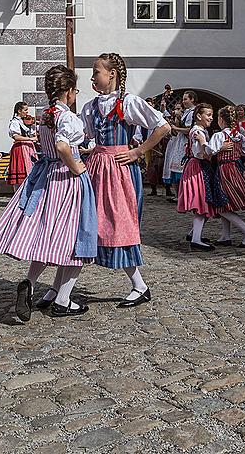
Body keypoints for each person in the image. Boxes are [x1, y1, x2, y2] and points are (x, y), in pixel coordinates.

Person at [0, 65, 98, 319]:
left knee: (45, 236)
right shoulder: (67, 117)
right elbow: (62, 146)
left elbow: (54, 145)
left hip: (45, 177)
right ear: (69, 91)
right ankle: (63, 299)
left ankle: (30, 283)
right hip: (66, 180)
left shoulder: (46, 115)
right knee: (73, 237)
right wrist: (77, 168)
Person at [81, 52, 170, 307]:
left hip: (120, 171)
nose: (93, 77)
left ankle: (139, 285)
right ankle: (62, 289)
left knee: (120, 225)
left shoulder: (129, 102)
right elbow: (84, 136)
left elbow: (163, 126)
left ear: (112, 74)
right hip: (98, 167)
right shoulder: (92, 106)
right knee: (92, 224)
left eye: (96, 71)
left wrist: (138, 151)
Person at [206, 105, 245, 247]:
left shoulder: (219, 136)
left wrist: (205, 144)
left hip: (225, 170)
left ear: (221, 119)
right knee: (227, 203)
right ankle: (225, 236)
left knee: (222, 205)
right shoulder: (239, 136)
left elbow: (210, 151)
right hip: (236, 169)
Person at [176, 103, 217, 251]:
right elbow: (203, 153)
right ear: (199, 116)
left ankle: (194, 234)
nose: (211, 118)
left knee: (205, 203)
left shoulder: (200, 130)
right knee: (201, 202)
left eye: (212, 115)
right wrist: (209, 145)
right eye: (208, 115)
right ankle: (196, 239)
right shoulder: (197, 131)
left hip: (200, 166)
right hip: (198, 166)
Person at [164, 92, 197, 201]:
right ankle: (179, 196)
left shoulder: (193, 112)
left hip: (185, 143)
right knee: (175, 169)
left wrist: (175, 128)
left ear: (192, 99)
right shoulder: (187, 112)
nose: (183, 101)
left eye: (185, 99)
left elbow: (189, 130)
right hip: (180, 141)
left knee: (182, 170)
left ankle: (185, 196)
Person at [6, 101, 38, 190]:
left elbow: (31, 134)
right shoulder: (15, 122)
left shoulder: (25, 122)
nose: (27, 112)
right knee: (21, 173)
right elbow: (16, 136)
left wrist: (34, 133)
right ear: (19, 111)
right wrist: (30, 139)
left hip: (28, 148)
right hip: (20, 149)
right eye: (25, 110)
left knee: (30, 171)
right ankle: (19, 196)